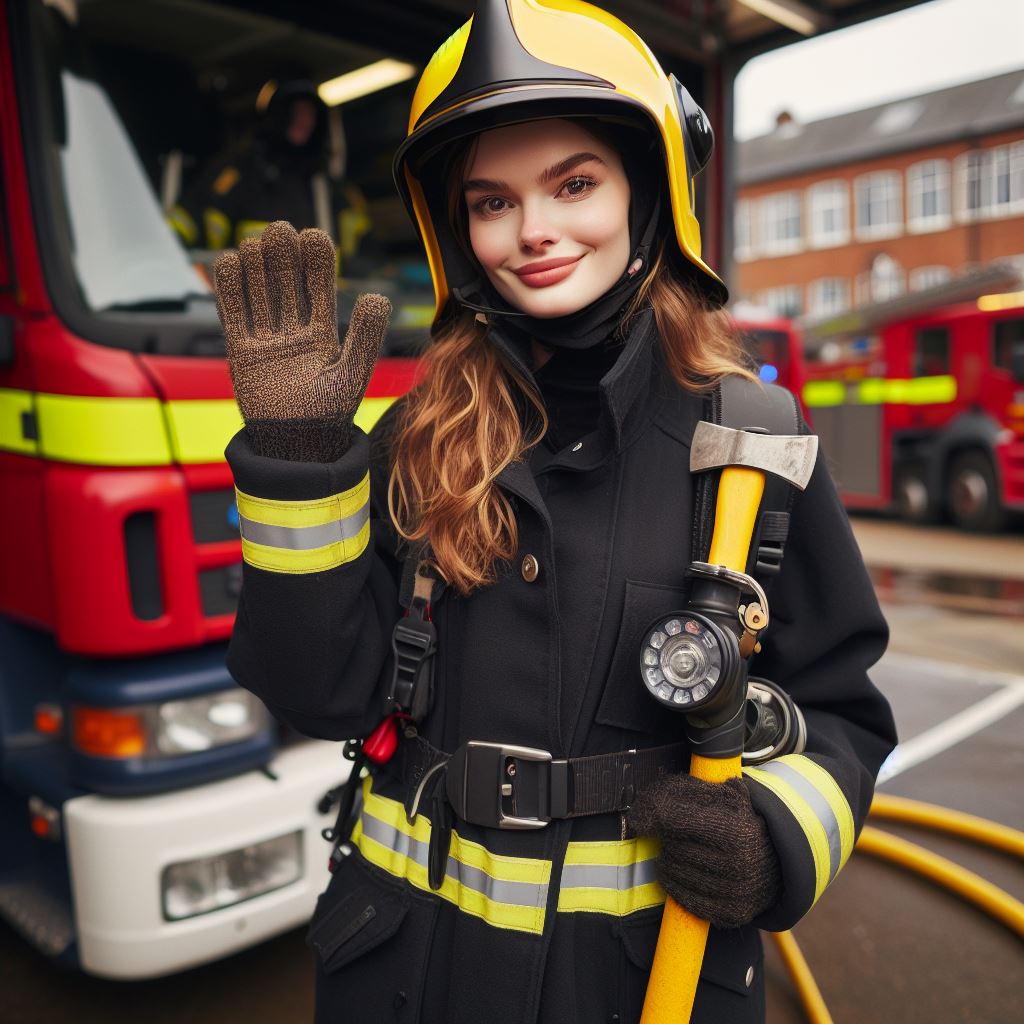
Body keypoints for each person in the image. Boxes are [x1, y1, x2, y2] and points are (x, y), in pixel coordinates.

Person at [213, 2, 896, 1022]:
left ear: (647, 192)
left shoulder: (751, 440)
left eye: (572, 183)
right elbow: (322, 694)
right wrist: (298, 460)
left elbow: (843, 712)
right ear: (458, 228)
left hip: (639, 987)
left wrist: (775, 838)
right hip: (406, 977)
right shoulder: (417, 434)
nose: (531, 230)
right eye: (491, 201)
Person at [170, 78, 371, 272]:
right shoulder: (237, 175)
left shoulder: (330, 187)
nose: (304, 120)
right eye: (296, 111)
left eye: (310, 113)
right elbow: (185, 224)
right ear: (277, 115)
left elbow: (369, 258)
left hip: (323, 302)